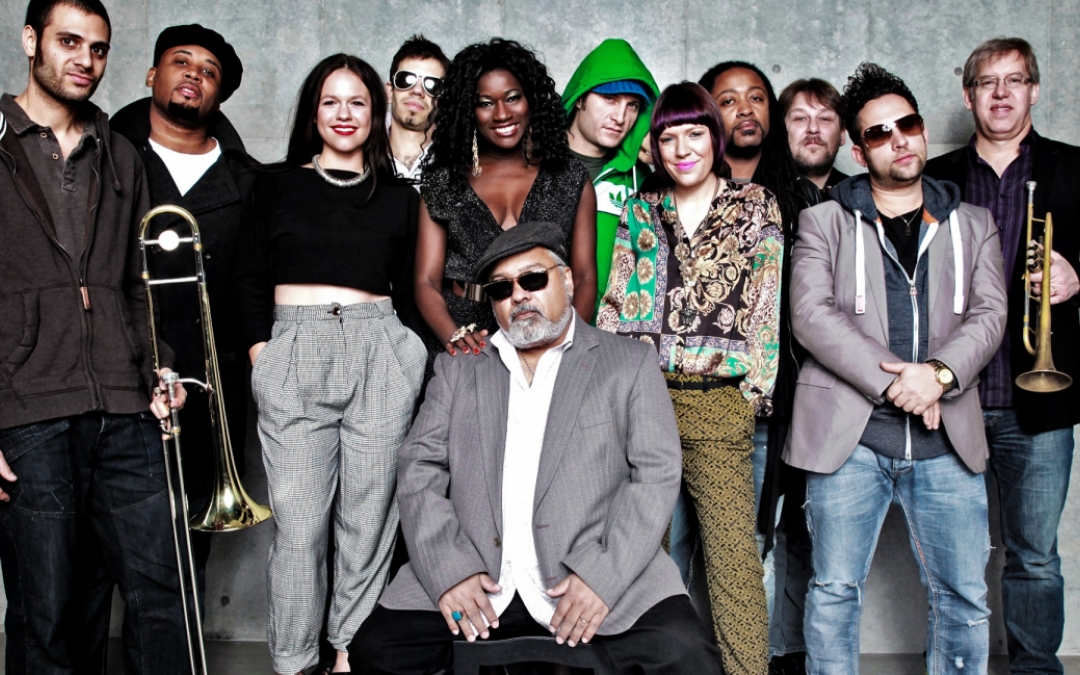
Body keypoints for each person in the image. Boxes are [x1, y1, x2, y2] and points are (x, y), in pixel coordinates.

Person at [349, 221, 724, 675]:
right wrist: (450, 570)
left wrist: (602, 576)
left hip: (596, 575)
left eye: (533, 279)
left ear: (566, 280)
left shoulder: (629, 362)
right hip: (480, 580)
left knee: (689, 658)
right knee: (375, 651)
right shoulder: (458, 369)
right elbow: (418, 468)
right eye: (502, 288)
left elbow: (656, 474)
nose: (519, 296)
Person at [786, 63, 1008, 674]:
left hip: (946, 440)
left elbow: (991, 314)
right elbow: (811, 315)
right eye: (879, 133)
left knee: (964, 598)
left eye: (906, 124)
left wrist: (938, 375)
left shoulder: (974, 223)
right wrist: (899, 383)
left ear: (923, 129)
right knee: (834, 592)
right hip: (850, 439)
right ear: (859, 152)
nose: (899, 140)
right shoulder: (824, 220)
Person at [0, 0, 190, 672]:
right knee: (46, 613)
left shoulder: (122, 156)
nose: (85, 60)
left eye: (99, 48)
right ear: (31, 40)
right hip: (28, 410)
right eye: (69, 41)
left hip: (125, 404)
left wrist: (161, 367)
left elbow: (138, 284)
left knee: (162, 595)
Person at [235, 53, 427, 675]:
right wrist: (263, 357)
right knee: (299, 524)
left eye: (358, 102)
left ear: (376, 113)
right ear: (313, 113)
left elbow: (412, 291)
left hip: (380, 351)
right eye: (331, 102)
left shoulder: (401, 198)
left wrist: (410, 359)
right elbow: (247, 278)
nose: (344, 114)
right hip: (294, 350)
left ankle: (349, 652)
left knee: (368, 520)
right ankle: (294, 660)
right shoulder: (273, 185)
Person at [598, 81, 782, 675]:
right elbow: (615, 302)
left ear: (715, 137)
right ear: (654, 146)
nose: (682, 149)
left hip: (719, 401)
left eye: (694, 134)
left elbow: (766, 306)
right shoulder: (640, 209)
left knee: (733, 559)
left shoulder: (756, 204)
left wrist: (752, 394)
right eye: (668, 137)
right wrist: (607, 395)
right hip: (643, 399)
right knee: (638, 551)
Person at [924, 37, 1080, 674]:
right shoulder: (935, 176)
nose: (1001, 93)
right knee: (951, 558)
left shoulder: (1075, 168)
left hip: (1039, 398)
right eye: (987, 82)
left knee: (1034, 557)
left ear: (1034, 90)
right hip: (954, 395)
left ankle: (1036, 671)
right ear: (969, 97)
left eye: (1014, 80)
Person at [110, 20, 253, 614]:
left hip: (207, 388)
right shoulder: (107, 155)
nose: (194, 74)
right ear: (152, 74)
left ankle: (177, 653)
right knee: (99, 549)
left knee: (187, 550)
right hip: (116, 373)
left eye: (209, 71)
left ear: (218, 95)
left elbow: (254, 287)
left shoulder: (249, 180)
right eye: (181, 61)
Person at [696, 61, 817, 674]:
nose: (745, 110)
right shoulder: (681, 195)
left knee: (772, 537)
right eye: (728, 99)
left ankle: (772, 659)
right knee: (702, 542)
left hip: (781, 398)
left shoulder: (802, 199)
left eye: (757, 98)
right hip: (696, 398)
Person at [416, 37, 597, 362]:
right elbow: (426, 281)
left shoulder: (569, 177)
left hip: (546, 330)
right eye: (485, 103)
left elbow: (584, 277)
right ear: (468, 110)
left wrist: (566, 344)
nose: (501, 114)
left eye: (513, 98)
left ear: (531, 99)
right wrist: (454, 336)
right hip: (467, 337)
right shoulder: (444, 181)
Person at [562, 38, 659, 302]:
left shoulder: (642, 179)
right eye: (609, 99)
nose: (620, 117)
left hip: (613, 325)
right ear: (580, 98)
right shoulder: (536, 163)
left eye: (632, 105)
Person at [386, 34, 449, 182]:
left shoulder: (460, 165)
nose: (417, 91)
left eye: (432, 85)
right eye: (405, 79)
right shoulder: (360, 155)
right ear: (389, 92)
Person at [779, 78, 847, 194]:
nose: (813, 128)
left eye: (824, 119)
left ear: (842, 134)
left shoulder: (866, 198)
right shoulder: (755, 196)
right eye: (800, 118)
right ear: (780, 131)